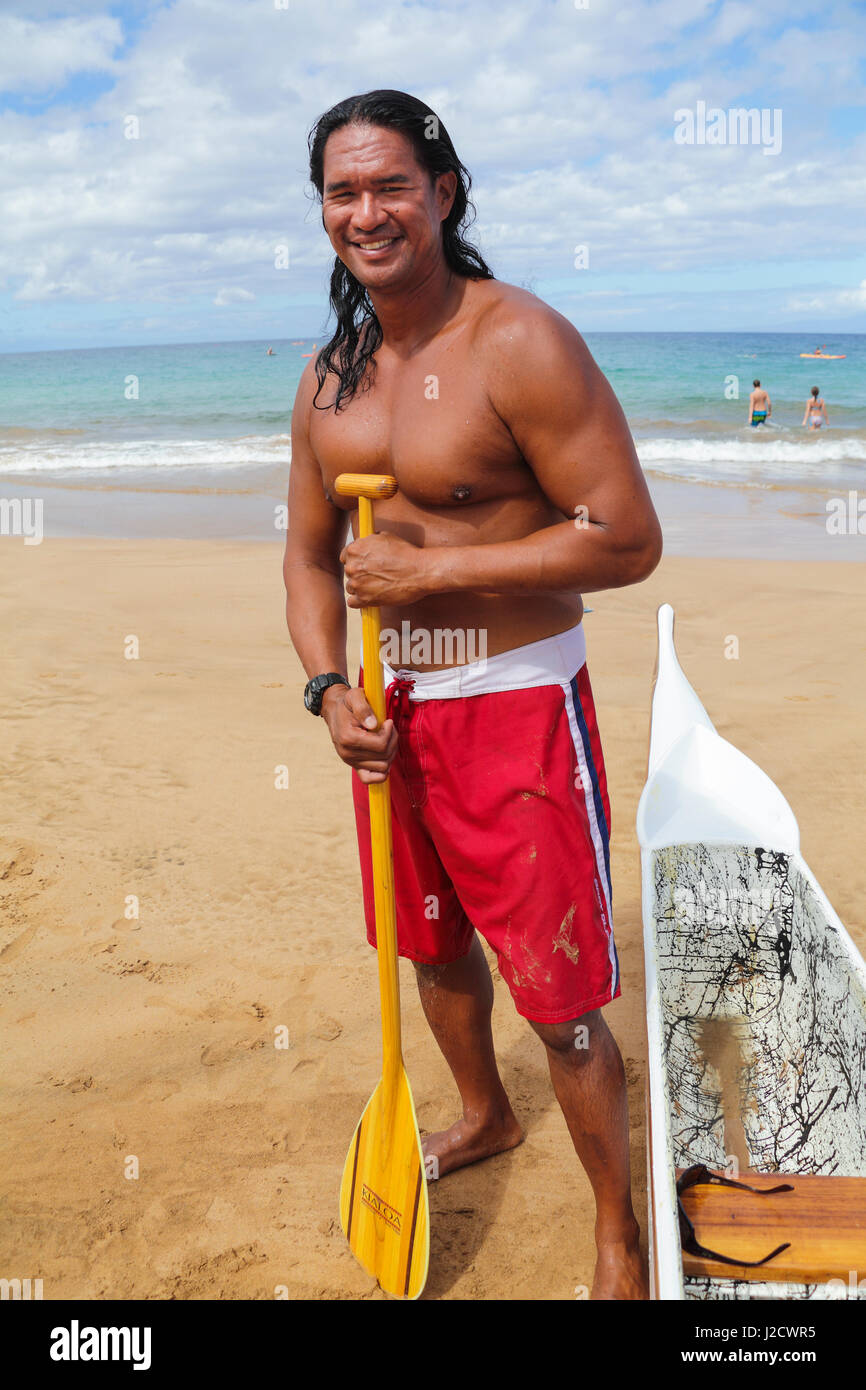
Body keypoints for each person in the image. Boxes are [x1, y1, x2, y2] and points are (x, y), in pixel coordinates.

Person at [283, 89, 662, 1300]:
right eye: (342, 192)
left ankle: (616, 1231)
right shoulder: (329, 378)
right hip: (389, 717)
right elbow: (306, 557)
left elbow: (625, 536)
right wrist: (326, 688)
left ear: (443, 193)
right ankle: (485, 1113)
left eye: (391, 185)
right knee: (431, 951)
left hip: (513, 703)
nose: (367, 212)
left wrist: (435, 572)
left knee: (561, 995)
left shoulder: (520, 341)